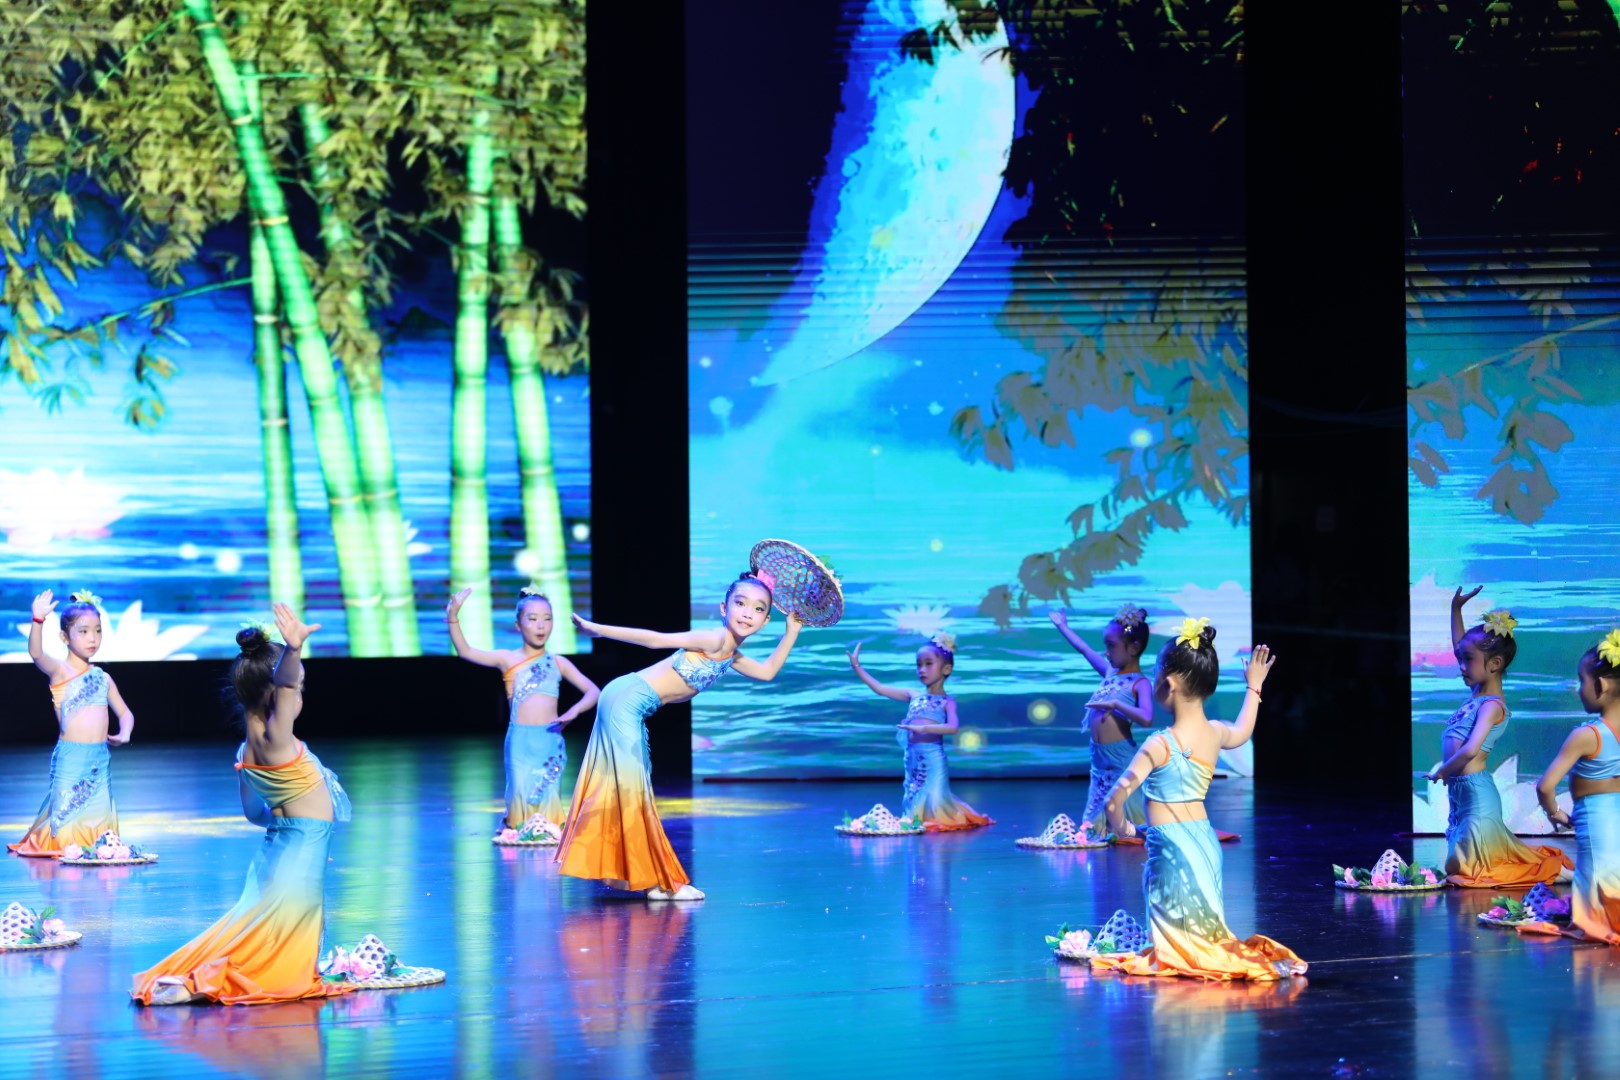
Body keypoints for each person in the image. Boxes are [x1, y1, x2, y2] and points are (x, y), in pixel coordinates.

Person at [132, 605, 354, 1005]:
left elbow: (254, 813)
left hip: (279, 852)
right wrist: (293, 649)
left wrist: (289, 817)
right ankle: (202, 984)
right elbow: (285, 684)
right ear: (274, 692)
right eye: (298, 687)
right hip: (299, 852)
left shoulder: (245, 751)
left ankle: (191, 982)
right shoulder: (277, 739)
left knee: (261, 935)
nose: (298, 693)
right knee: (274, 955)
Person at [557, 572, 803, 900]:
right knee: (632, 792)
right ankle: (662, 883)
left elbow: (768, 672)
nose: (747, 613)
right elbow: (656, 639)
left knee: (627, 790)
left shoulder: (731, 654)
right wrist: (596, 630)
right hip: (624, 700)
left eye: (758, 609)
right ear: (724, 608)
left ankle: (649, 880)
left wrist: (791, 632)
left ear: (766, 619)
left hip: (629, 704)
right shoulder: (714, 639)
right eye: (740, 603)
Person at [1092, 620, 1304, 980]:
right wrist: (1254, 687)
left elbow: (1113, 801)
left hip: (1171, 848)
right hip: (1205, 843)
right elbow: (1243, 731)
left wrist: (1127, 830)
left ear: (1170, 683)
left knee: (1178, 940)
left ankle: (1183, 957)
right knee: (1205, 932)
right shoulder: (1216, 732)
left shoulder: (1158, 744)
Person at [1426, 588, 1569, 887]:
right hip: (1461, 792)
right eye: (1461, 659)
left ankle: (1556, 873)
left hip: (1477, 794)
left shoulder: (1491, 706)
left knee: (1472, 870)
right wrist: (1455, 610)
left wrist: (1443, 771)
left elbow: (1470, 750)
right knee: (1461, 864)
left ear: (1494, 664)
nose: (1461, 666)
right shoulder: (1477, 693)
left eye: (1468, 660)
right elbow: (1460, 646)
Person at [448, 585, 599, 830]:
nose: (541, 626)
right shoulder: (507, 658)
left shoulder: (558, 662)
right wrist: (453, 615)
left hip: (550, 739)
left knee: (548, 793)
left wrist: (574, 711)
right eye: (533, 619)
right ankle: (519, 829)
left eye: (547, 619)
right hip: (519, 739)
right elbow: (465, 652)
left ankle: (547, 831)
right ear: (518, 625)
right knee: (519, 790)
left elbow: (593, 691)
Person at [10, 589, 135, 857]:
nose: (93, 638)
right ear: (64, 637)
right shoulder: (59, 671)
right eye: (83, 631)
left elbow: (126, 713)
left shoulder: (103, 678)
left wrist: (125, 732)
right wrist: (37, 619)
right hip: (71, 759)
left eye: (98, 631)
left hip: (99, 760)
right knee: (66, 822)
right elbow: (36, 653)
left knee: (100, 826)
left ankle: (98, 847)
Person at [847, 633, 992, 831]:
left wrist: (922, 728)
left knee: (934, 799)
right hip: (913, 757)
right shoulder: (913, 694)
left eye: (928, 664)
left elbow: (953, 727)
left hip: (933, 758)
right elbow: (880, 688)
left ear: (946, 669)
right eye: (919, 665)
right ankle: (917, 820)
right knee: (914, 796)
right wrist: (856, 666)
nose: (922, 669)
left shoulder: (947, 701)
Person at [1529, 631, 1620, 944]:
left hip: (1597, 816)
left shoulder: (1587, 735)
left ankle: (1598, 920)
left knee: (1598, 869)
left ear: (1601, 685)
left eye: (1582, 681)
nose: (1579, 689)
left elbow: (1545, 786)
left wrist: (1554, 812)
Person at [1050, 606, 1153, 838]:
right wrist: (1062, 626)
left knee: (1127, 807)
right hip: (1098, 754)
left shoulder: (1140, 683)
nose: (1106, 652)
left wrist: (1117, 705)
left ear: (1134, 648)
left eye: (1111, 646)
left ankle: (1128, 828)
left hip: (1120, 755)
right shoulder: (1110, 673)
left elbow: (1147, 718)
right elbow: (1085, 649)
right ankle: (1100, 827)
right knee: (1097, 806)